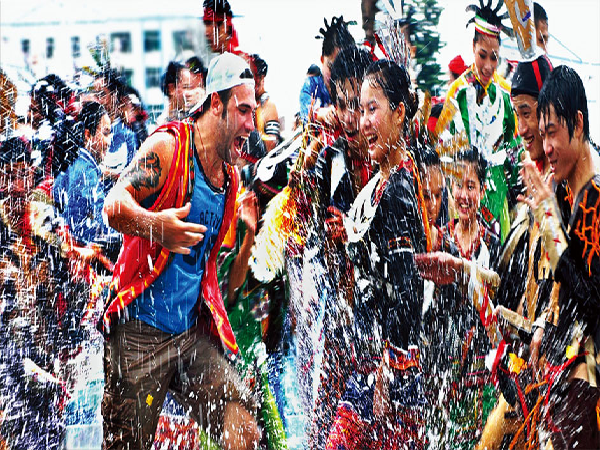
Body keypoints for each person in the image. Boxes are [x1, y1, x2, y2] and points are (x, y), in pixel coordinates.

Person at [100, 52, 260, 449]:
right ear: (216, 103)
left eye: (253, 113)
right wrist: (159, 228)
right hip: (138, 333)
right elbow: (113, 206)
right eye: (242, 111)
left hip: (190, 336)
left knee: (243, 430)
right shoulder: (169, 147)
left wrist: (249, 239)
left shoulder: (229, 181)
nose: (251, 125)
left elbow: (219, 279)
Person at [326, 59, 428, 449]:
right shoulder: (381, 182)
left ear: (399, 113)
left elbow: (407, 291)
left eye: (373, 109)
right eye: (361, 109)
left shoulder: (398, 189)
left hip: (391, 376)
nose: (363, 121)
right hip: (372, 364)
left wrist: (388, 367)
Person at [475, 52, 555, 450]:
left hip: (561, 377)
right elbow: (516, 283)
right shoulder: (534, 184)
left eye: (527, 113)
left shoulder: (572, 187)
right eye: (516, 114)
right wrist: (466, 273)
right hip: (528, 374)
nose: (521, 128)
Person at [518, 65, 600, 450]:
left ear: (578, 125)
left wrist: (549, 223)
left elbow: (593, 301)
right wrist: (543, 328)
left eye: (552, 133)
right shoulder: (566, 190)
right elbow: (564, 283)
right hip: (567, 367)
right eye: (543, 133)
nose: (546, 146)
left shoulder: (595, 197)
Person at [304, 46, 373, 450]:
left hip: (379, 327)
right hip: (338, 317)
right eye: (342, 105)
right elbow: (310, 231)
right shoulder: (329, 157)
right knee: (322, 427)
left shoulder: (393, 163)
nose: (350, 117)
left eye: (359, 106)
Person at [0, 137, 88, 449]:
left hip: (45, 344)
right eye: (8, 176)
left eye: (22, 175)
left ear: (31, 175)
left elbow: (73, 278)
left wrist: (71, 339)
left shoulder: (44, 218)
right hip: (9, 350)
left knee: (48, 431)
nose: (16, 187)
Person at [445, 0, 518, 241]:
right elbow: (446, 150)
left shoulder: (506, 95)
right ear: (473, 47)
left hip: (497, 196)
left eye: (494, 58)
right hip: (464, 197)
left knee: (498, 255)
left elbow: (514, 143)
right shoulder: (457, 93)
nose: (488, 66)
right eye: (482, 55)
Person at [53, 101, 116, 248]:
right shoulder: (85, 171)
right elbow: (86, 224)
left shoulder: (78, 164)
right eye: (105, 133)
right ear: (87, 135)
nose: (109, 142)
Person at [299, 16, 355, 123]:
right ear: (322, 60)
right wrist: (320, 113)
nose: (335, 74)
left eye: (341, 68)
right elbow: (306, 112)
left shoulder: (356, 86)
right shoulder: (312, 86)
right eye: (331, 67)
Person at [93, 69, 137, 187]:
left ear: (114, 96)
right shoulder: (89, 132)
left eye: (102, 94)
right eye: (95, 95)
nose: (98, 100)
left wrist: (109, 174)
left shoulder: (127, 136)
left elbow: (132, 177)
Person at [248, 54, 281, 152]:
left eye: (253, 78)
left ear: (261, 78)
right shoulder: (247, 103)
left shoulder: (269, 106)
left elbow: (271, 145)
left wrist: (252, 135)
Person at [155, 61, 197, 125]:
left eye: (192, 88)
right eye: (186, 87)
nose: (191, 93)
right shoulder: (164, 124)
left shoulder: (193, 115)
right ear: (171, 89)